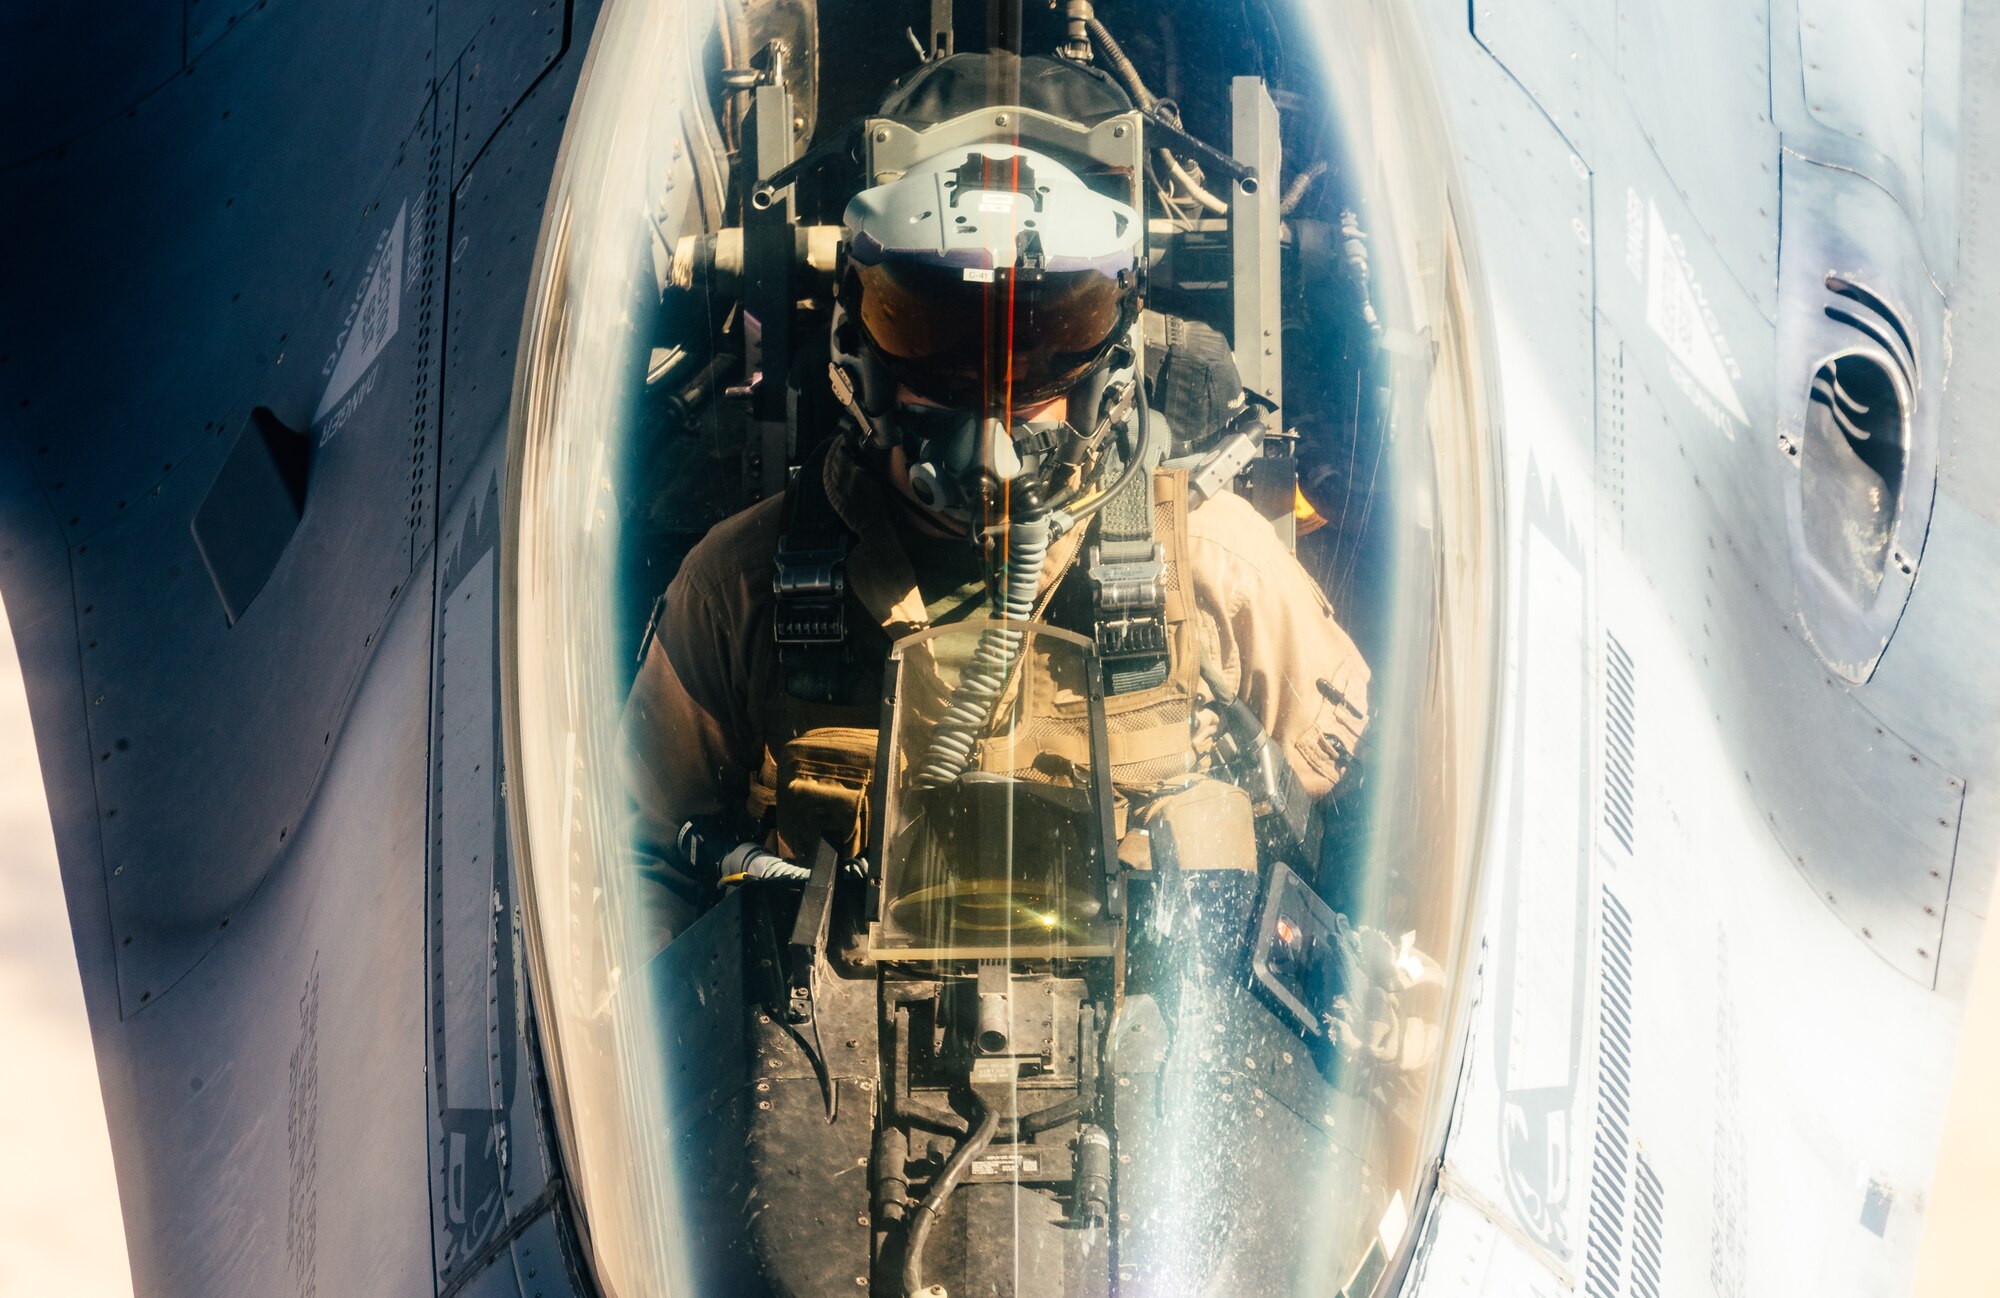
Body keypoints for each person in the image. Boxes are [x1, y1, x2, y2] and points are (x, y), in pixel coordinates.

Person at [619, 76, 1369, 948]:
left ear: (1104, 369)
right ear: (861, 357)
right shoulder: (742, 588)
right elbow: (636, 874)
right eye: (934, 344)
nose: (994, 412)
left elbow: (1363, 838)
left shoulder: (1217, 568)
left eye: (1043, 349)